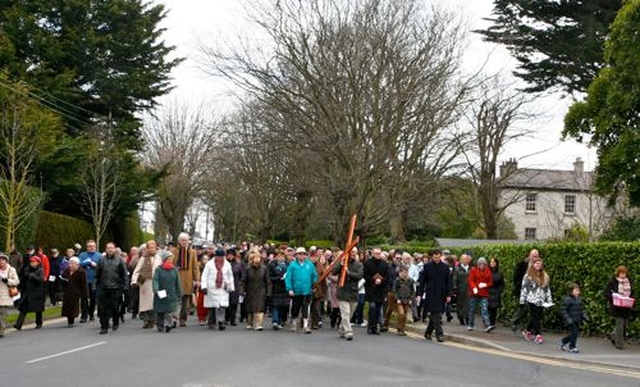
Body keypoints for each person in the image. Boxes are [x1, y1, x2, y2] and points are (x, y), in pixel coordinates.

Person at [418, 249, 451, 342]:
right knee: (435, 314)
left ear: (441, 256)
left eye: (438, 257)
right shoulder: (427, 266)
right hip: (431, 293)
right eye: (435, 257)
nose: (437, 259)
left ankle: (428, 333)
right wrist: (419, 294)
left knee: (435, 314)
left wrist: (449, 294)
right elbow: (422, 281)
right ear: (432, 257)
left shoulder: (445, 267)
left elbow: (449, 282)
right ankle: (439, 334)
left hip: (441, 293)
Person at [95, 242, 128, 334]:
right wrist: (95, 285)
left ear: (114, 249)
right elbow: (97, 274)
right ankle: (104, 327)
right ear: (106, 249)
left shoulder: (119, 260)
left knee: (114, 307)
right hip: (103, 287)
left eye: (112, 248)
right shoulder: (101, 260)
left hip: (116, 288)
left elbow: (124, 274)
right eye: (108, 248)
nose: (110, 249)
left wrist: (125, 286)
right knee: (103, 308)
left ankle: (115, 322)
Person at [332, 247, 363, 341]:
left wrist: (348, 273)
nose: (353, 253)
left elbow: (359, 275)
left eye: (355, 252)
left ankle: (342, 329)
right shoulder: (342, 262)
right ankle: (348, 332)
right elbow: (333, 271)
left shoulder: (359, 265)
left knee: (350, 314)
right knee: (346, 313)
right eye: (352, 251)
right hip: (342, 291)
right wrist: (341, 265)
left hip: (353, 292)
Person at [519, 257, 552, 344]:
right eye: (536, 263)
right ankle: (538, 335)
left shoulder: (544, 276)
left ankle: (527, 331)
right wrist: (522, 300)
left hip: (541, 300)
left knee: (536, 317)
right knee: (536, 317)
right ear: (533, 264)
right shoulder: (528, 276)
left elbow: (547, 289)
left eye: (540, 264)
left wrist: (549, 299)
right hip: (531, 299)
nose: (538, 265)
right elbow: (523, 288)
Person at [285, 247, 318, 333]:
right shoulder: (292, 265)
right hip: (296, 290)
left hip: (307, 290)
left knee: (306, 307)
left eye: (303, 254)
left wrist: (314, 286)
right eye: (300, 254)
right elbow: (288, 278)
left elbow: (314, 276)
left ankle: (306, 325)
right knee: (295, 307)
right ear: (296, 255)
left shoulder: (310, 265)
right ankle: (294, 322)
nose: (302, 255)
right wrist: (289, 289)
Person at [131, 241, 163, 329]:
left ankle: (153, 321)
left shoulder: (159, 258)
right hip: (145, 283)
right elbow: (137, 271)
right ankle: (146, 321)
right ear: (147, 249)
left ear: (156, 248)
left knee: (154, 303)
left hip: (156, 283)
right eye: (150, 247)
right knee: (145, 304)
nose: (152, 249)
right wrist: (134, 281)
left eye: (153, 247)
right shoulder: (143, 259)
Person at [201, 248, 234, 330]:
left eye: (222, 257)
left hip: (222, 287)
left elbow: (230, 276)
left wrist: (231, 286)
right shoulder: (209, 264)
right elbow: (204, 275)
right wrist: (204, 286)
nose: (220, 258)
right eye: (219, 256)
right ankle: (211, 322)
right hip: (211, 287)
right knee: (211, 306)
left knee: (221, 305)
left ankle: (221, 321)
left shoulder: (227, 264)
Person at [171, 232, 200, 327]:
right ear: (179, 241)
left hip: (188, 278)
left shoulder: (192, 252)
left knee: (185, 302)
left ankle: (183, 319)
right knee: (176, 300)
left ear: (188, 241)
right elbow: (171, 264)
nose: (184, 242)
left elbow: (195, 267)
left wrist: (197, 279)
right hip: (177, 278)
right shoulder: (174, 251)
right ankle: (174, 318)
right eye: (182, 240)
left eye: (186, 240)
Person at [153, 252, 183, 333]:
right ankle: (160, 325)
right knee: (160, 310)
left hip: (171, 293)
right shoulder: (158, 270)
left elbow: (178, 282)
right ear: (164, 260)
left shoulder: (174, 270)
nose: (170, 261)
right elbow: (155, 280)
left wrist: (180, 293)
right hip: (161, 292)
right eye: (169, 259)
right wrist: (156, 289)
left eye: (171, 259)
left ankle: (168, 324)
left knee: (169, 310)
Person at [14, 256, 46, 330]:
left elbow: (41, 280)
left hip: (37, 292)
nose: (32, 263)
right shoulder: (26, 270)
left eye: (34, 262)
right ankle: (18, 324)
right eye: (31, 262)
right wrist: (18, 288)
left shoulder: (40, 270)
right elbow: (23, 280)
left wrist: (33, 276)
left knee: (38, 309)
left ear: (38, 263)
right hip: (27, 292)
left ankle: (39, 323)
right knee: (23, 308)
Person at [605, 266, 633, 349]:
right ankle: (619, 344)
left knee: (625, 325)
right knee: (619, 324)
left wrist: (631, 298)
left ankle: (613, 335)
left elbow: (632, 292)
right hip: (616, 306)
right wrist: (614, 297)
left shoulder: (628, 281)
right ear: (618, 273)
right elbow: (606, 292)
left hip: (626, 306)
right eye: (621, 273)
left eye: (624, 273)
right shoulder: (612, 282)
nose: (623, 275)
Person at [241, 250, 270, 331]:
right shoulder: (248, 269)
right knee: (250, 308)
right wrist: (242, 290)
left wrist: (269, 291)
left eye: (258, 257)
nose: (257, 259)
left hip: (261, 290)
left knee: (260, 308)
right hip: (250, 290)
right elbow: (243, 280)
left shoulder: (264, 268)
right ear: (252, 259)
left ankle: (259, 324)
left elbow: (268, 281)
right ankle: (250, 323)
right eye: (255, 257)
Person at [511, 249, 538, 331]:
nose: (534, 258)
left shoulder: (539, 265)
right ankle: (514, 322)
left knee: (533, 309)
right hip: (523, 290)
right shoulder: (522, 264)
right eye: (533, 256)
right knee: (524, 307)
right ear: (529, 256)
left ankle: (530, 328)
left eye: (536, 256)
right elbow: (516, 277)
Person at [363, 247, 388, 335]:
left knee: (378, 309)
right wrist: (373, 280)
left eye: (379, 253)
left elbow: (386, 276)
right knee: (372, 307)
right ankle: (370, 326)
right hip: (371, 289)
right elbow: (365, 275)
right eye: (376, 253)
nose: (378, 255)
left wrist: (382, 280)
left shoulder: (384, 264)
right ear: (373, 254)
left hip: (380, 290)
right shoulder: (368, 263)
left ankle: (375, 327)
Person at [60, 257, 88, 327]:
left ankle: (71, 321)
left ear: (77, 264)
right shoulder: (66, 271)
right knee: (67, 306)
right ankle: (69, 320)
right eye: (70, 263)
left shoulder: (81, 272)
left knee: (73, 306)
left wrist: (85, 294)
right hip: (67, 291)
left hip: (76, 292)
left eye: (73, 264)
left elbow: (84, 284)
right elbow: (62, 279)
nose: (71, 265)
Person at [559, 283, 587, 353]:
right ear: (571, 291)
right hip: (570, 320)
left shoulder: (579, 299)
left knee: (575, 333)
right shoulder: (567, 299)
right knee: (574, 333)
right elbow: (563, 310)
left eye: (578, 290)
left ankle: (563, 341)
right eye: (576, 290)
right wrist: (568, 319)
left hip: (577, 319)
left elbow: (582, 309)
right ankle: (572, 347)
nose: (577, 292)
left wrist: (584, 316)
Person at [467, 257, 493, 332]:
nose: (482, 266)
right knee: (472, 309)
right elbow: (471, 280)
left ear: (485, 265)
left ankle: (487, 325)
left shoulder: (488, 271)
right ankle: (470, 324)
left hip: (484, 293)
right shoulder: (474, 270)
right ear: (478, 264)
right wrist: (474, 287)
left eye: (483, 264)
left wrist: (485, 285)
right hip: (474, 293)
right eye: (480, 264)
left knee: (484, 309)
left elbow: (490, 282)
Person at [79, 240, 102, 323]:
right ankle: (84, 315)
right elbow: (79, 264)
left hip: (94, 280)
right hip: (84, 280)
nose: (92, 247)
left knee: (93, 298)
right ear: (87, 247)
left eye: (93, 246)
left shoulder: (99, 255)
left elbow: (102, 266)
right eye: (90, 246)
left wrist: (95, 265)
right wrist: (88, 263)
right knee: (84, 298)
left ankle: (91, 314)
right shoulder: (82, 255)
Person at [0, 252, 20, 337]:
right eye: (0, 260)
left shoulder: (11, 269)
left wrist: (7, 280)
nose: (1, 261)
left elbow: (16, 281)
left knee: (1, 314)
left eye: (3, 260)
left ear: (6, 261)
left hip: (5, 295)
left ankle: (1, 331)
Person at [269, 250, 289, 330]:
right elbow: (269, 277)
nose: (281, 258)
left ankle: (280, 321)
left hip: (284, 288)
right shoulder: (272, 265)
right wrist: (278, 278)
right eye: (279, 256)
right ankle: (275, 321)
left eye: (283, 257)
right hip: (275, 287)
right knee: (275, 306)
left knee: (282, 306)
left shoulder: (288, 266)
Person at [393, 265, 415, 336]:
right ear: (401, 272)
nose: (406, 274)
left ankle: (402, 329)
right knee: (401, 314)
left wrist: (411, 298)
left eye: (407, 272)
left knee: (405, 315)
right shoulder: (397, 280)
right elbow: (394, 290)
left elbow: (412, 290)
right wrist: (397, 298)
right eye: (404, 272)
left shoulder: (410, 280)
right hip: (400, 299)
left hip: (407, 299)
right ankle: (399, 328)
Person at [226, 248, 244, 326]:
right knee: (226, 303)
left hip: (236, 284)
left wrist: (241, 286)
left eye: (231, 255)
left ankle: (232, 319)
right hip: (226, 285)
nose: (230, 256)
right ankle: (226, 318)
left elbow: (242, 276)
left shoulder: (238, 264)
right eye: (228, 255)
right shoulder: (224, 264)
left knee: (234, 303)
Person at [453, 254, 471, 326]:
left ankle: (467, 318)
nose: (464, 260)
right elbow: (454, 279)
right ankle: (461, 318)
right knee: (460, 305)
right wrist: (455, 288)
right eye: (463, 259)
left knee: (468, 305)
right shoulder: (457, 269)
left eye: (466, 259)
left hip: (469, 290)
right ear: (460, 260)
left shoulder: (471, 269)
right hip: (460, 290)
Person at [488, 258, 504, 329]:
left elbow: (502, 283)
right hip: (488, 291)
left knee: (494, 308)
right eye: (491, 262)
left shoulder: (499, 273)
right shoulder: (486, 271)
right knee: (487, 307)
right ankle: (486, 321)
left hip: (495, 292)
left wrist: (500, 290)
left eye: (494, 262)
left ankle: (492, 323)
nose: (493, 263)